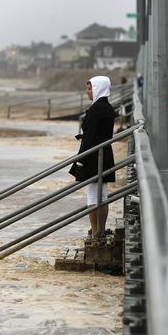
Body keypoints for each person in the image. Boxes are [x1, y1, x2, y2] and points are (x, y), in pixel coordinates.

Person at [69, 76, 117, 238]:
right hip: (103, 153)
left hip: (93, 155)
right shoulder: (106, 107)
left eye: (90, 88)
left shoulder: (97, 109)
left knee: (93, 195)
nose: (87, 92)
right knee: (102, 194)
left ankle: (96, 231)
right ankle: (100, 230)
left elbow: (90, 136)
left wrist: (81, 159)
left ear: (98, 88)